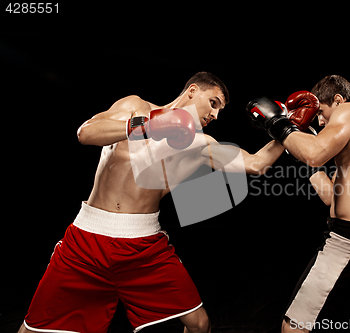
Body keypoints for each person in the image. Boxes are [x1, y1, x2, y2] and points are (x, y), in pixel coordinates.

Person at [19, 72, 286, 333]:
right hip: (86, 240)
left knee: (199, 324)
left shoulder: (199, 143)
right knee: (33, 326)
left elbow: (256, 165)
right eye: (213, 103)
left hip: (143, 246)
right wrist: (146, 126)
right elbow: (85, 133)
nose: (214, 115)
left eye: (219, 111)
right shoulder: (135, 106)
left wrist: (286, 129)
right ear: (192, 91)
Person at [247, 75, 350, 332]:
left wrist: (280, 125)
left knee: (293, 327)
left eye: (322, 113)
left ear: (338, 100)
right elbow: (330, 196)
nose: (322, 122)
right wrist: (301, 156)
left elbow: (314, 153)